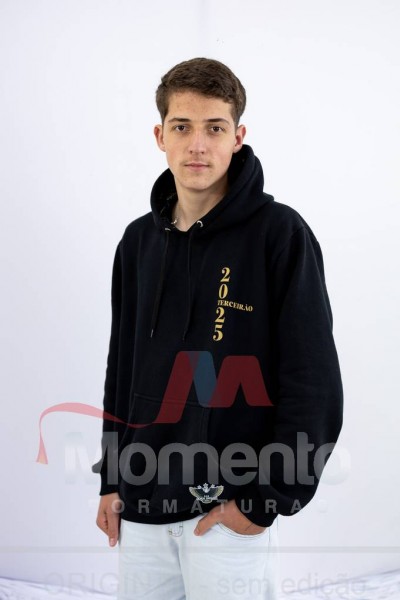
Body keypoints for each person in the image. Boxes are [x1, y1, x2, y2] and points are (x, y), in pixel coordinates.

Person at [92, 57, 343, 600]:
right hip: (141, 508)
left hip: (229, 511)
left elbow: (313, 380)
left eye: (215, 128)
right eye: (182, 127)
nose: (197, 145)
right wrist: (112, 478)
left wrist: (266, 499)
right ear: (160, 136)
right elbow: (122, 369)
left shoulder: (280, 235)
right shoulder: (137, 243)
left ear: (238, 137)